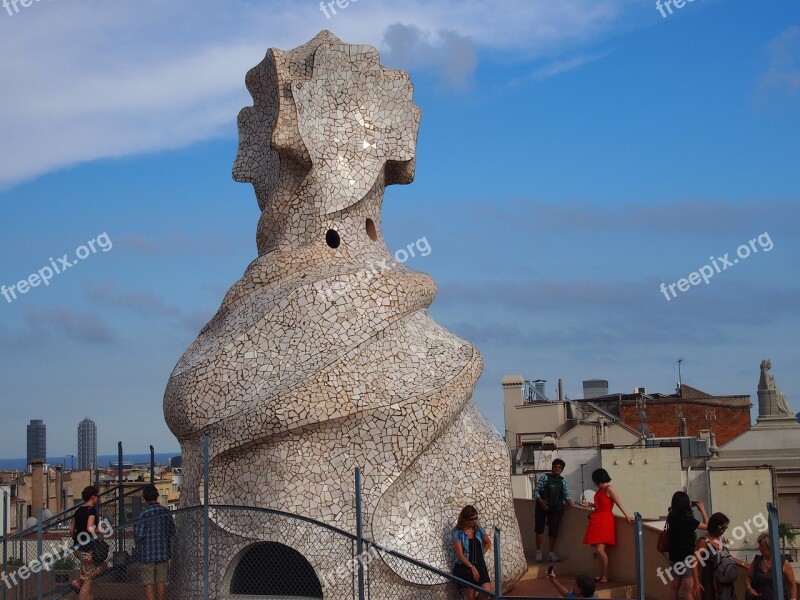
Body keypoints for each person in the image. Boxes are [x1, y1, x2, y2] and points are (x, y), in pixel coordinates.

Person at [580, 468, 633, 583]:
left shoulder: (609, 489)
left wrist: (627, 515)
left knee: (600, 549)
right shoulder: (600, 490)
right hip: (597, 519)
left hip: (605, 520)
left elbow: (619, 503)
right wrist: (590, 504)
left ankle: (605, 575)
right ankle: (601, 574)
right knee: (599, 550)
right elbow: (600, 505)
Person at [692, 512, 748, 600]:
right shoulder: (703, 542)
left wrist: (745, 564)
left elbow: (727, 557)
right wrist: (696, 582)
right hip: (710, 580)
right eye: (723, 527)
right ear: (716, 526)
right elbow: (694, 562)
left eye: (726, 527)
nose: (724, 530)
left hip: (725, 579)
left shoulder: (722, 539)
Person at [134, 484, 176, 600]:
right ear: (157, 496)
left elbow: (139, 534)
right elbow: (172, 531)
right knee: (161, 582)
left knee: (148, 583)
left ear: (145, 498)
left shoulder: (143, 514)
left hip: (147, 555)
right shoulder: (165, 512)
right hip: (163, 553)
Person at [666, 492, 709, 600]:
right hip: (687, 558)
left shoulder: (671, 517)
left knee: (674, 587)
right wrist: (702, 509)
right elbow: (708, 526)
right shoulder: (689, 521)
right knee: (688, 589)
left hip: (673, 556)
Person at [533, 458, 574, 562]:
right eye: (556, 466)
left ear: (562, 470)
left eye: (560, 467)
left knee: (553, 532)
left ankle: (551, 553)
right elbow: (536, 491)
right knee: (539, 529)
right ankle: (538, 552)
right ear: (552, 467)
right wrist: (541, 501)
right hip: (542, 507)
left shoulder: (563, 481)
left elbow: (566, 494)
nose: (557, 469)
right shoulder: (544, 477)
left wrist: (569, 501)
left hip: (556, 508)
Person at [452, 505, 492, 599]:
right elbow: (461, 556)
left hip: (480, 564)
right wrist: (472, 567)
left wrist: (480, 553)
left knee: (487, 591)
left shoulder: (478, 529)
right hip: (466, 566)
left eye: (476, 518)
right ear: (465, 519)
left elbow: (488, 542)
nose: (474, 521)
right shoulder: (457, 533)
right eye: (472, 519)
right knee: (470, 595)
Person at [70, 485, 102, 598]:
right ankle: (80, 586)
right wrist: (99, 530)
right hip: (87, 549)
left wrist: (76, 540)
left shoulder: (78, 511)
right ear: (93, 497)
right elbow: (89, 528)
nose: (97, 499)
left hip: (78, 547)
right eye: (97, 496)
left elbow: (71, 530)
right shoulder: (91, 510)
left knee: (93, 570)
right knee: (88, 580)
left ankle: (77, 582)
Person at [744, 532, 797, 600]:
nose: (759, 548)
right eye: (759, 545)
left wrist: (793, 599)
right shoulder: (757, 561)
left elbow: (792, 584)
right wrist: (748, 587)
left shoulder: (783, 562)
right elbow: (748, 577)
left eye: (762, 546)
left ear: (770, 546)